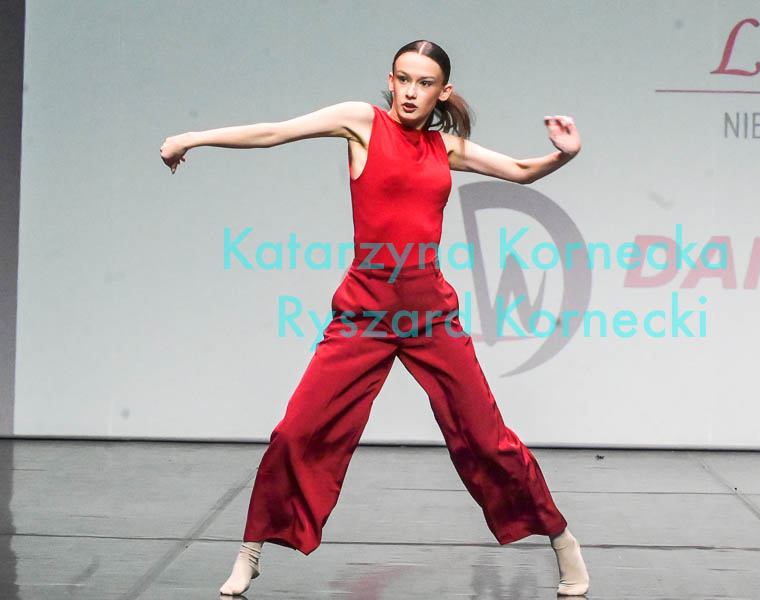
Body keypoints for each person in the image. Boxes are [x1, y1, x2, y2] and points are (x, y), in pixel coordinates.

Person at [160, 39, 589, 597]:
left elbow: (520, 170)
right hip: (363, 314)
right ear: (390, 80)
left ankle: (561, 540)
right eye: (403, 79)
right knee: (296, 431)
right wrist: (192, 137)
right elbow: (275, 132)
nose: (411, 92)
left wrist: (563, 155)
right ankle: (251, 551)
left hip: (430, 317)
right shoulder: (361, 122)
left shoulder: (444, 147)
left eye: (424, 83)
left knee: (487, 440)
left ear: (443, 92)